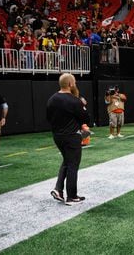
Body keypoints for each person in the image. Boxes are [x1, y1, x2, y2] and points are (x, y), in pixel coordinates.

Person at [46, 73, 90, 205]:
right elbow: (85, 118)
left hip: (57, 136)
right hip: (72, 136)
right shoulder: (74, 100)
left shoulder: (51, 99)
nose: (75, 84)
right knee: (72, 165)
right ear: (70, 84)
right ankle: (72, 196)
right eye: (74, 82)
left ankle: (58, 189)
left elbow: (48, 118)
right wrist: (82, 104)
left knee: (66, 161)